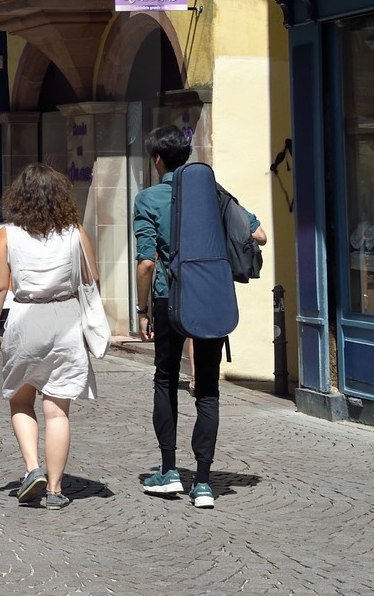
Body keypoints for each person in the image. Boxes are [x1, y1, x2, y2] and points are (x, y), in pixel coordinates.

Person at [134, 126, 266, 510]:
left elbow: (146, 262)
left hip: (169, 299)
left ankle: (168, 471)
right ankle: (204, 483)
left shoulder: (149, 198)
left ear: (157, 159)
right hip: (211, 298)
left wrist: (142, 310)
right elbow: (259, 234)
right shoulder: (214, 194)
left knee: (165, 379)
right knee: (208, 388)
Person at [0, 164, 99, 511]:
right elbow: (92, 276)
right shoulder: (74, 232)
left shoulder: (8, 234)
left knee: (21, 401)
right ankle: (54, 490)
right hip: (66, 320)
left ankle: (33, 467)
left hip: (25, 319)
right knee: (57, 411)